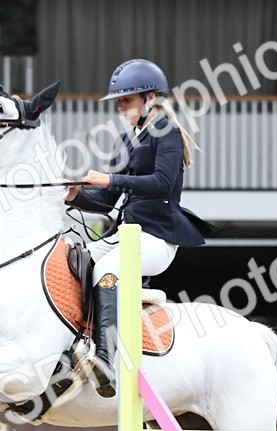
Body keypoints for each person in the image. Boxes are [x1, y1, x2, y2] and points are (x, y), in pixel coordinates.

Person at [66, 58, 210, 398]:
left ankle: (104, 360)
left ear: (150, 98)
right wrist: (76, 196)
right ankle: (82, 341)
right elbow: (110, 197)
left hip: (157, 240)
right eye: (119, 101)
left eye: (126, 100)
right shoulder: (128, 139)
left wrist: (109, 177)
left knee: (105, 268)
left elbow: (161, 183)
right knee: (79, 262)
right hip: (127, 234)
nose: (120, 106)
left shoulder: (168, 133)